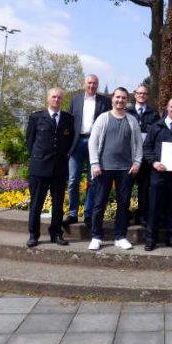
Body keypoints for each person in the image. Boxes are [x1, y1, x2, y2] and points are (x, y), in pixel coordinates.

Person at [87, 87, 143, 251]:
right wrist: (94, 163)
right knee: (99, 203)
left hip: (126, 170)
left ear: (127, 101)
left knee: (123, 204)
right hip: (103, 169)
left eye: (124, 98)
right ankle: (96, 236)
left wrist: (137, 162)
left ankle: (120, 236)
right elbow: (93, 142)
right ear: (113, 99)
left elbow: (139, 143)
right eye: (118, 97)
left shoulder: (132, 120)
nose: (120, 100)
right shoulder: (103, 118)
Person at [25, 88, 74, 248]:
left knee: (58, 204)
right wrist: (39, 157)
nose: (56, 99)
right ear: (48, 98)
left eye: (59, 97)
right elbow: (30, 142)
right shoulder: (36, 117)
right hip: (39, 167)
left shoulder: (68, 119)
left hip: (59, 168)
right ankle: (33, 234)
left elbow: (69, 141)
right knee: (36, 203)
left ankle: (56, 233)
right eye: (54, 97)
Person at [142, 98, 172, 251]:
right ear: (166, 108)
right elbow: (147, 147)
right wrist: (154, 162)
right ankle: (151, 239)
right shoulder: (156, 126)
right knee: (154, 206)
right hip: (158, 173)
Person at [65, 75, 111, 231]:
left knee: (93, 181)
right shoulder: (75, 100)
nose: (92, 85)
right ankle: (72, 213)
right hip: (77, 143)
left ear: (97, 85)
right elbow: (69, 122)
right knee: (73, 180)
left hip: (94, 143)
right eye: (89, 83)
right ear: (84, 84)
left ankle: (88, 214)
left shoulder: (105, 102)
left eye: (94, 83)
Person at [126, 84, 159, 227]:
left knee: (144, 188)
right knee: (126, 187)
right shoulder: (127, 111)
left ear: (147, 95)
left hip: (145, 157)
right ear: (135, 94)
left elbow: (156, 135)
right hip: (129, 156)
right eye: (139, 93)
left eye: (144, 94)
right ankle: (124, 214)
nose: (141, 95)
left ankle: (141, 215)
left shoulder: (154, 114)